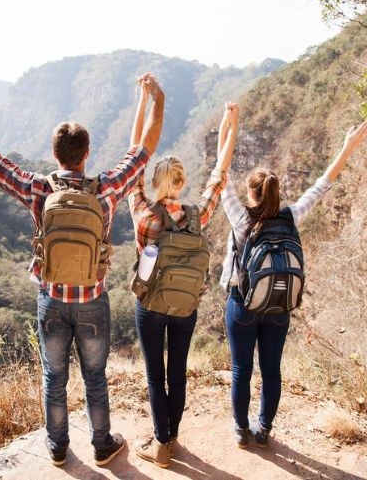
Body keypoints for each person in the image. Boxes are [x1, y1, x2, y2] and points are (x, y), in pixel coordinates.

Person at [0, 73, 166, 467]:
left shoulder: (38, 189)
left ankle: (57, 448)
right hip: (92, 299)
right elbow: (144, 148)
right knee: (95, 377)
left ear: (55, 155)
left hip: (51, 300)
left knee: (54, 379)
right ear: (87, 153)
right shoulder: (106, 188)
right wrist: (158, 98)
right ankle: (103, 445)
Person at [220, 120, 367, 448]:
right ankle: (264, 430)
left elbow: (220, 174)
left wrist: (228, 125)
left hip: (243, 303)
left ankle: (240, 430)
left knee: (241, 370)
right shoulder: (291, 216)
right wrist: (348, 147)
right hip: (278, 305)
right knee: (271, 370)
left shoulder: (240, 216)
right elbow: (323, 184)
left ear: (251, 192)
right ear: (276, 192)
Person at [127, 99, 240, 467]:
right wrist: (230, 123)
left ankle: (161, 444)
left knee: (154, 375)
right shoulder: (196, 216)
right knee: (177, 373)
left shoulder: (145, 215)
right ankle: (170, 436)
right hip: (186, 306)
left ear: (154, 183)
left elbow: (132, 161)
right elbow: (219, 174)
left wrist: (143, 103)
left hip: (151, 306)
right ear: (181, 182)